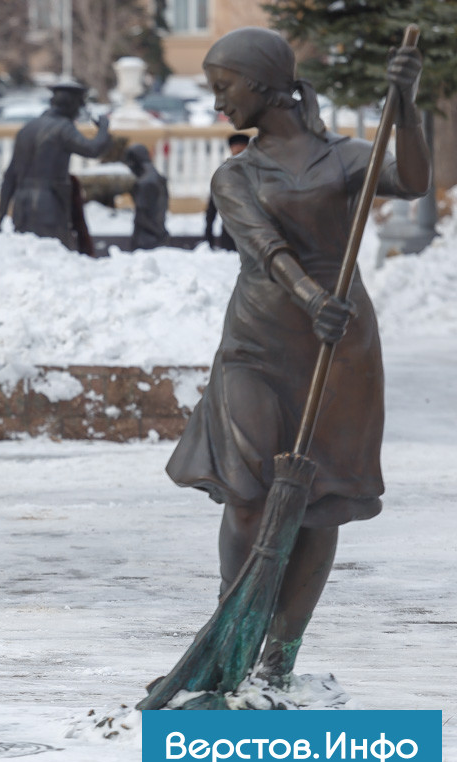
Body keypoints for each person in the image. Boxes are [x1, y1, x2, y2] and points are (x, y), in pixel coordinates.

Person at [166, 27, 429, 680]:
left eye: (224, 88)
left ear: (260, 84)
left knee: (319, 500)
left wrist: (409, 105)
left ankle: (279, 659)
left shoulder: (343, 158)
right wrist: (313, 299)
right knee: (249, 493)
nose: (219, 103)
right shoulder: (238, 173)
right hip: (259, 340)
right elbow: (264, 248)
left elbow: (413, 179)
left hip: (338, 348)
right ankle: (230, 636)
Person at [0, 78, 111, 250]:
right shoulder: (63, 128)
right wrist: (104, 128)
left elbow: (10, 175)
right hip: (49, 205)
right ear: (71, 105)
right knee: (53, 256)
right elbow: (92, 149)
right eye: (79, 106)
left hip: (22, 206)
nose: (79, 112)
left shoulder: (27, 129)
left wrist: (1, 211)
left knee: (27, 258)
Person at [203, 133, 251, 250]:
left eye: (242, 147)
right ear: (231, 149)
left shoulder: (258, 170)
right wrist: (209, 233)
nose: (239, 150)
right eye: (236, 147)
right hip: (230, 232)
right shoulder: (223, 172)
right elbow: (212, 205)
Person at [122, 143, 169, 250]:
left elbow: (141, 217)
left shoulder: (144, 183)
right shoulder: (159, 178)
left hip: (145, 241)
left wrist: (159, 233)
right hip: (158, 238)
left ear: (134, 163)